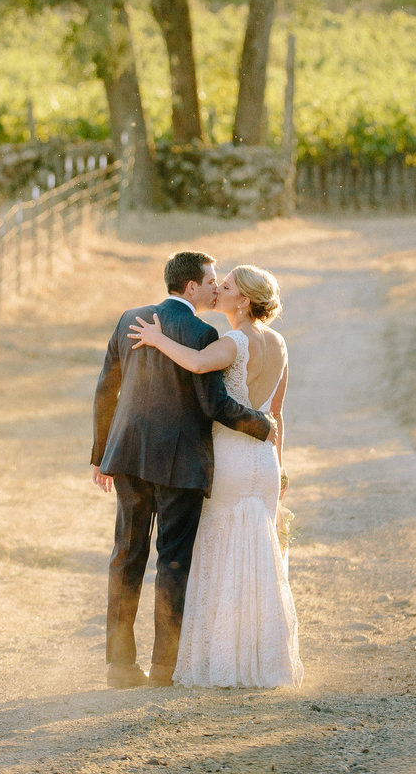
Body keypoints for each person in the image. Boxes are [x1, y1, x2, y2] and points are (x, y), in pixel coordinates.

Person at [90, 250, 276, 688]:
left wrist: (101, 455)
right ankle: (163, 668)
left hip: (130, 456)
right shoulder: (201, 332)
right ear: (191, 287)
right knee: (172, 562)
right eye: (211, 280)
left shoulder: (129, 318)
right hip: (181, 462)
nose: (216, 287)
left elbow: (105, 388)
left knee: (126, 555)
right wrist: (261, 425)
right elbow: (213, 404)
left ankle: (119, 666)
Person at [128, 263, 302, 688]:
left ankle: (222, 658)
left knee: (221, 549)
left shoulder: (234, 342)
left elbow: (197, 363)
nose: (217, 291)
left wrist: (156, 338)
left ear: (243, 300)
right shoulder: (279, 344)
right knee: (257, 554)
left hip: (231, 459)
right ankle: (261, 660)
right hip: (262, 459)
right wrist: (279, 469)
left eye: (225, 287)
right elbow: (275, 415)